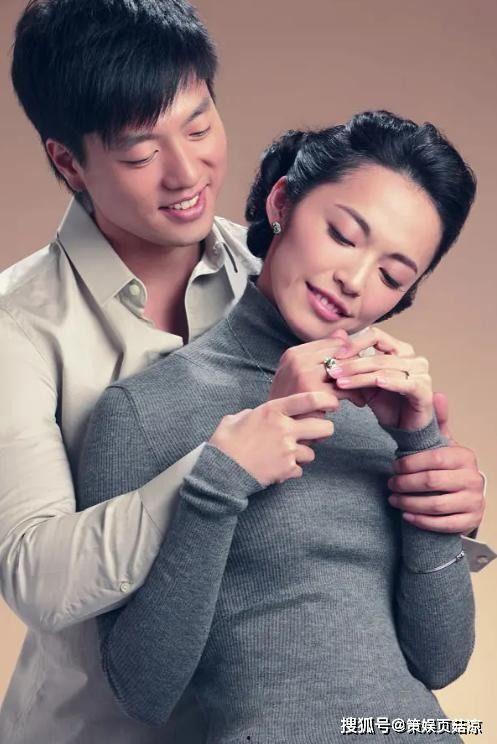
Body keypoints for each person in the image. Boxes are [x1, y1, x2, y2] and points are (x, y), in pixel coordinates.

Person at [0, 0, 489, 742]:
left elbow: (414, 638)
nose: (187, 173)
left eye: (200, 127)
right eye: (140, 153)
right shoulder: (19, 327)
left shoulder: (305, 281)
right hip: (102, 727)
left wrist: (437, 490)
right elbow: (36, 576)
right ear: (70, 162)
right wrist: (219, 471)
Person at [77, 111, 477, 743]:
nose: (353, 281)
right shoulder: (144, 411)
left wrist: (421, 449)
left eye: (392, 276)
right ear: (283, 202)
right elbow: (142, 689)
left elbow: (441, 662)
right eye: (342, 235)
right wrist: (220, 483)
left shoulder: (384, 413)